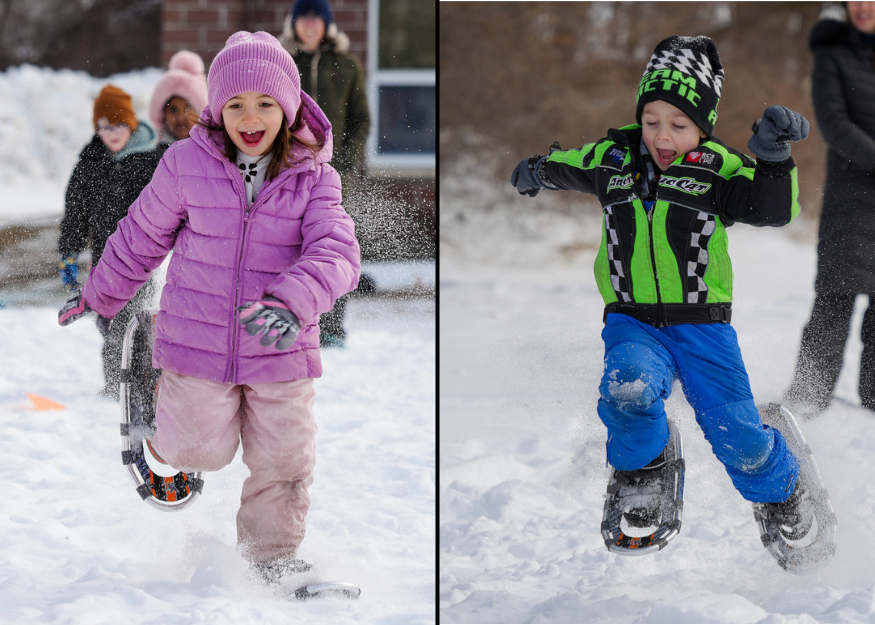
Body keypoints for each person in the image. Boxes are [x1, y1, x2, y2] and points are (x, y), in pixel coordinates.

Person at [57, 31, 361, 580]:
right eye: (236, 104)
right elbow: (140, 235)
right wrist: (99, 291)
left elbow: (337, 250)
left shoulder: (315, 177)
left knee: (285, 459)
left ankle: (275, 560)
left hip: (281, 346)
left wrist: (294, 301)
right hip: (198, 341)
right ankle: (154, 396)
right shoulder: (184, 165)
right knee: (197, 449)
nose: (251, 116)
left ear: (288, 110)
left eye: (266, 103)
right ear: (217, 110)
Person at [510, 36, 814, 543]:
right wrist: (538, 171)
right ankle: (645, 471)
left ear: (702, 126)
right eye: (651, 121)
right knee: (626, 388)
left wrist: (773, 158)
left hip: (703, 325)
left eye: (678, 125)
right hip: (632, 320)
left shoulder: (719, 168)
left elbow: (773, 209)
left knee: (738, 438)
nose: (662, 136)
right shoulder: (613, 159)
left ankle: (784, 489)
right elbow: (572, 164)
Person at [784, 1, 875, 416]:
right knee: (836, 296)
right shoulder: (832, 51)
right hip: (852, 195)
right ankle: (807, 397)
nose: (862, 6)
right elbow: (833, 123)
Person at [58, 84, 160, 400]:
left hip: (146, 260)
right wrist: (68, 252)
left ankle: (126, 388)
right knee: (109, 322)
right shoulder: (89, 165)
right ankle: (119, 383)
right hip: (105, 261)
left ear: (131, 124)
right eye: (104, 126)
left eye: (118, 125)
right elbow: (76, 214)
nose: (111, 133)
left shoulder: (153, 160)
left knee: (131, 324)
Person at [280, 0, 370, 347]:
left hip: (333, 173)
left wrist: (343, 161)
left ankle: (332, 326)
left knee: (331, 244)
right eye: (303, 19)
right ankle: (295, 317)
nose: (309, 25)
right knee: (288, 242)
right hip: (288, 172)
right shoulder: (284, 63)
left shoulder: (346, 65)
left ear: (327, 25)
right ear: (294, 24)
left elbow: (361, 119)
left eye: (316, 19)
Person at [148, 50, 208, 154]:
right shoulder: (153, 160)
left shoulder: (213, 157)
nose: (180, 117)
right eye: (173, 110)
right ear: (162, 116)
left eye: (188, 109)